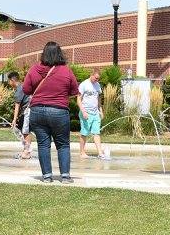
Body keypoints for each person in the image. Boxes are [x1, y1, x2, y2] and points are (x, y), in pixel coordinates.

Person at [22, 41, 80, 183]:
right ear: (59, 53)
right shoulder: (66, 70)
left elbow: (26, 90)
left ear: (44, 53)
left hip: (37, 111)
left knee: (43, 144)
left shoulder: (34, 69)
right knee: (63, 144)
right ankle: (65, 176)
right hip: (59, 111)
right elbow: (74, 91)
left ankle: (47, 176)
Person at [78, 69, 106, 159]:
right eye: (96, 78)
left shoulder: (97, 85)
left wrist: (100, 110)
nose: (97, 80)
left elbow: (98, 99)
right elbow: (78, 99)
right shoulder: (84, 84)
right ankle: (82, 152)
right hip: (86, 112)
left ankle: (100, 152)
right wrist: (83, 111)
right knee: (84, 133)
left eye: (98, 79)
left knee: (96, 133)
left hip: (95, 113)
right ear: (92, 75)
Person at [8, 71, 32, 159]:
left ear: (13, 80)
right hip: (28, 110)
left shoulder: (19, 89)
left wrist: (14, 119)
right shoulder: (23, 86)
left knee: (26, 131)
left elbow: (17, 105)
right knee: (23, 130)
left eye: (9, 81)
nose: (9, 83)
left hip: (28, 110)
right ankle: (25, 150)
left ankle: (27, 152)